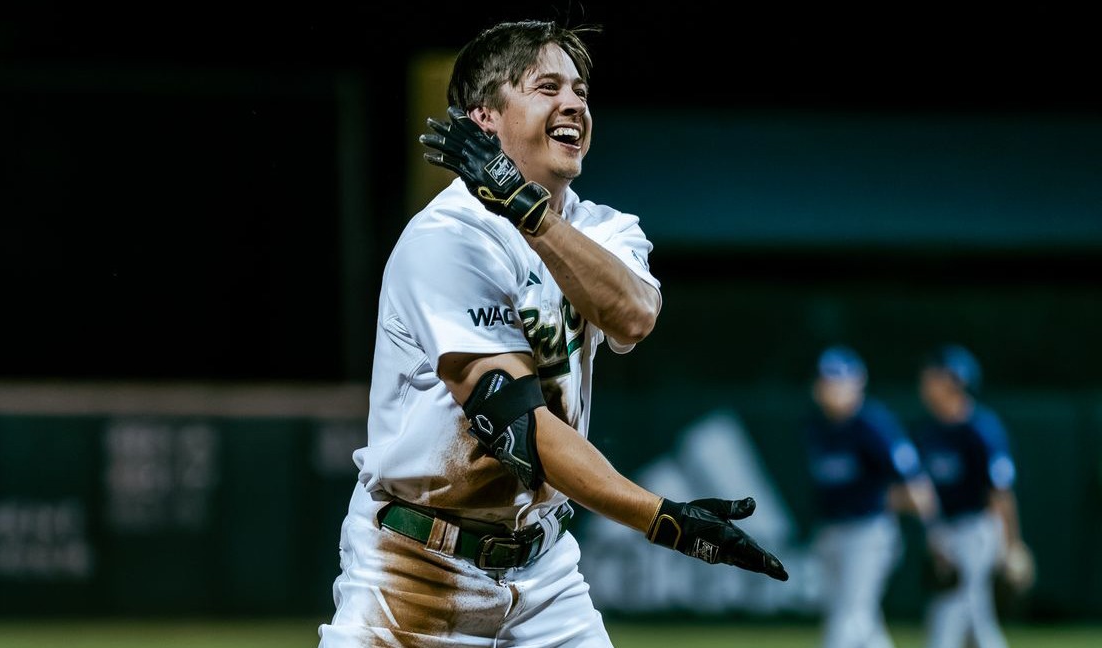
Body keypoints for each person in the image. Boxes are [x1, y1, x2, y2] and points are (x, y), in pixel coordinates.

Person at [316, 18, 787, 647]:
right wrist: (661, 519)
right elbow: (518, 427)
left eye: (581, 91)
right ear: (484, 116)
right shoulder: (447, 237)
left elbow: (634, 315)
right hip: (417, 566)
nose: (574, 104)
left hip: (544, 568)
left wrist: (529, 209)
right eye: (547, 88)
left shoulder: (607, 228)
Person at [803, 345, 940, 648]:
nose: (830, 388)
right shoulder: (816, 425)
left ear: (857, 383)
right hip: (832, 531)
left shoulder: (873, 425)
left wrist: (936, 537)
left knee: (847, 618)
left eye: (837, 380)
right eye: (825, 380)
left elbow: (917, 487)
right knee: (864, 623)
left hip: (868, 534)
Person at [914, 343, 1033, 648]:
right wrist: (935, 537)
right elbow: (927, 494)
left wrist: (1012, 546)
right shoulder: (929, 431)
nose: (926, 382)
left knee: (946, 619)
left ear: (955, 381)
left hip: (977, 529)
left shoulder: (981, 429)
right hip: (947, 530)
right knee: (977, 626)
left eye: (933, 376)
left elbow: (1000, 493)